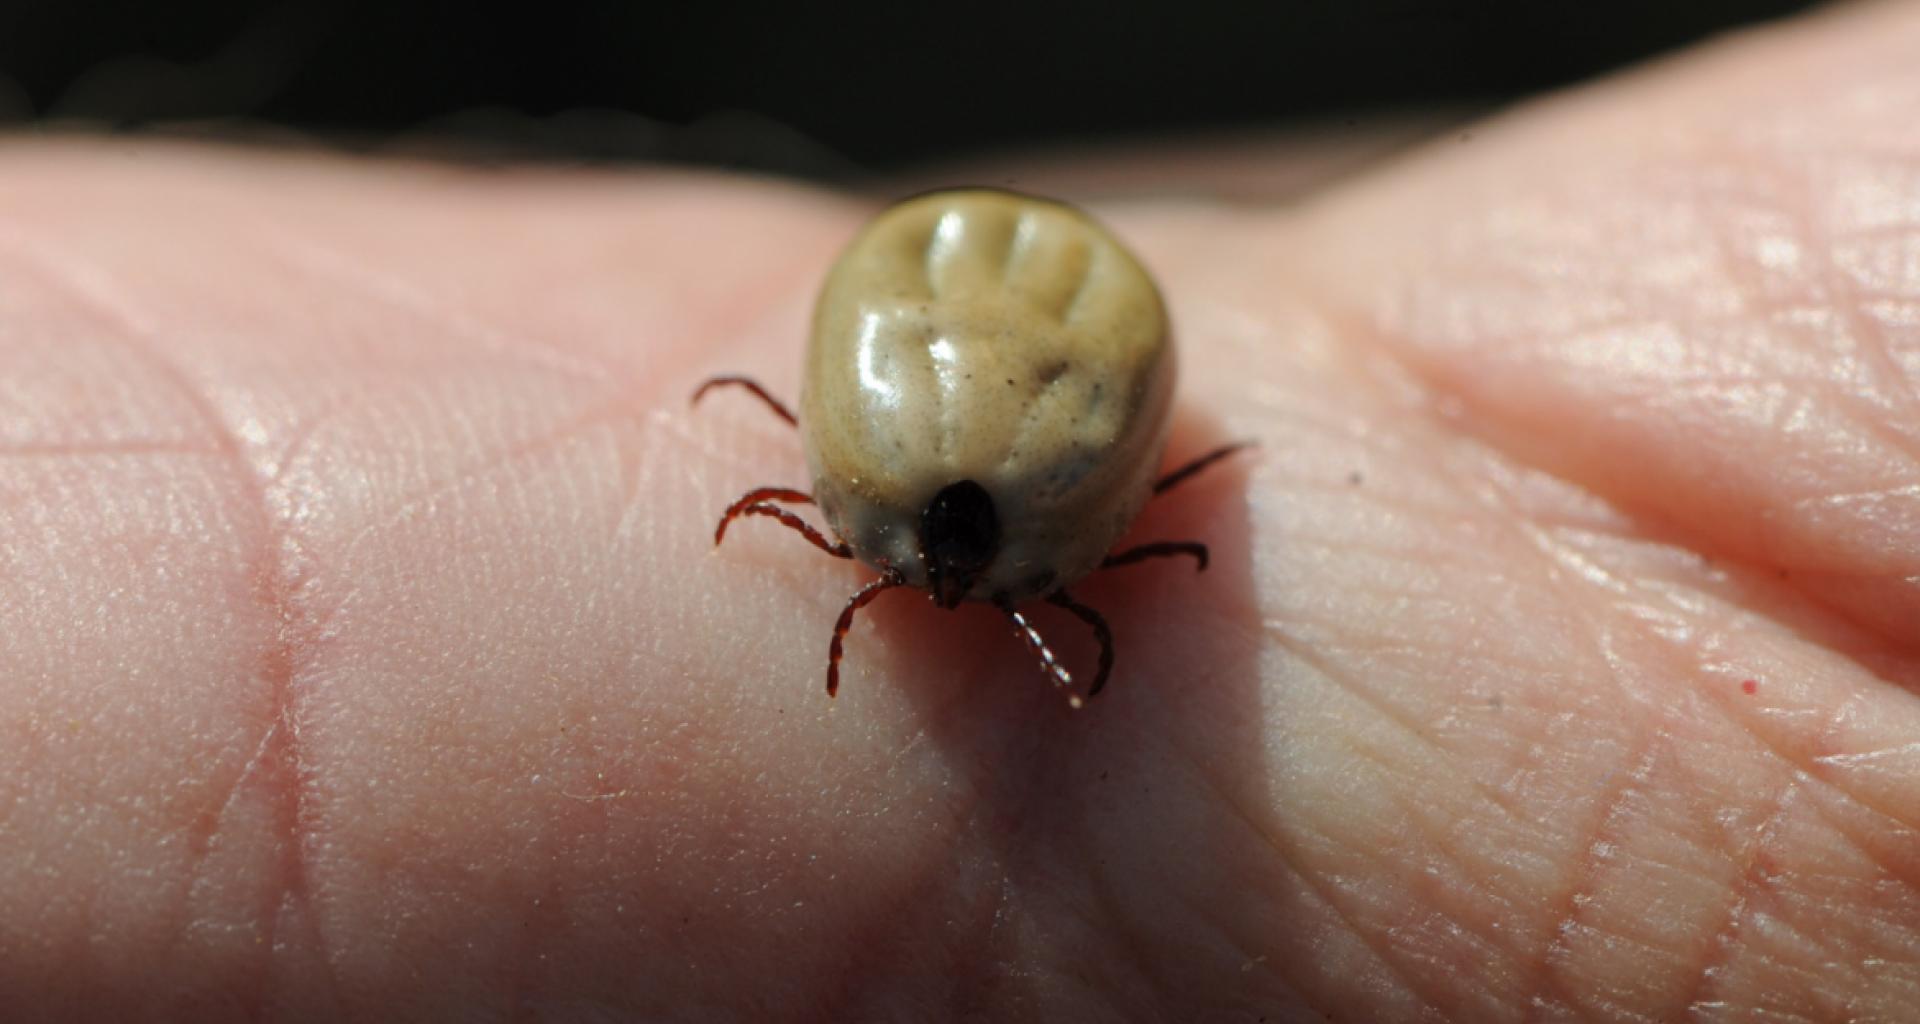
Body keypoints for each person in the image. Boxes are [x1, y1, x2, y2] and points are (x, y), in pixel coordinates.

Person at [1, 2, 1915, 1018]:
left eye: (929, 573)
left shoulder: (940, 506)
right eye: (912, 568)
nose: (918, 588)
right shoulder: (998, 523)